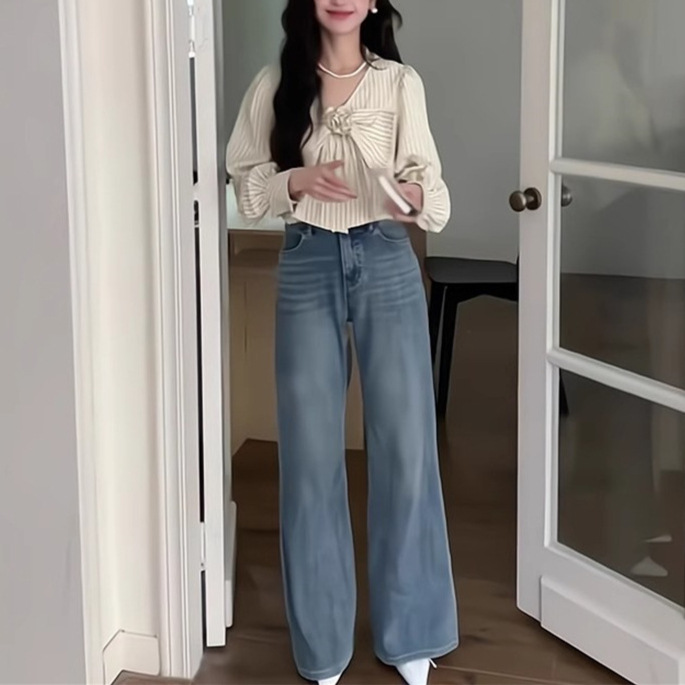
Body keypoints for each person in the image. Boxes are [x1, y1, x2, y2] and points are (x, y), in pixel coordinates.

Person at [226, 1, 458, 683]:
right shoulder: (276, 82)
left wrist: (405, 196)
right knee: (308, 455)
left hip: (385, 258)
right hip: (307, 261)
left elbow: (434, 196)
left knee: (406, 446)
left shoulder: (399, 83)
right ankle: (322, 644)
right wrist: (292, 180)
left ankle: (411, 633)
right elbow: (245, 185)